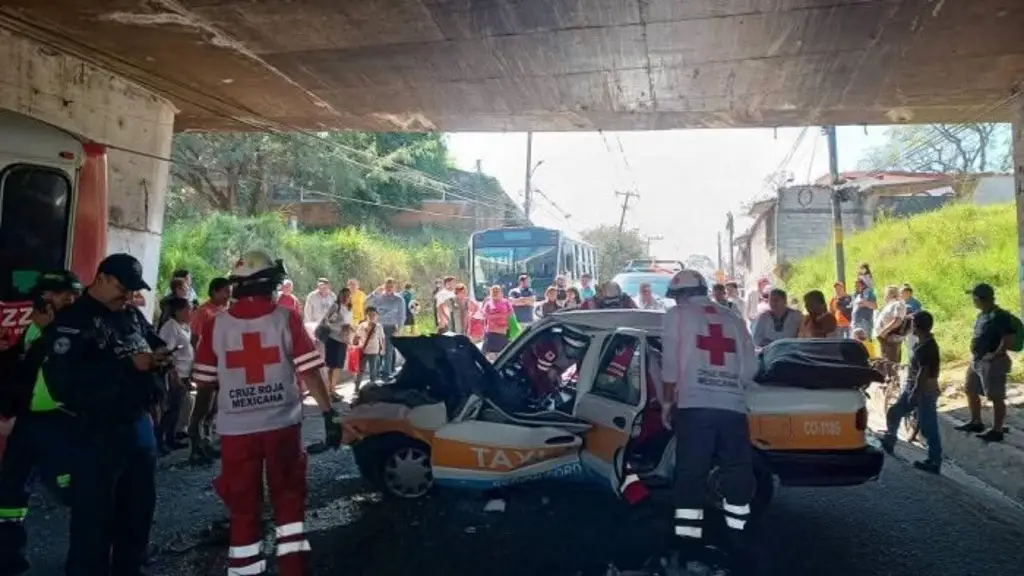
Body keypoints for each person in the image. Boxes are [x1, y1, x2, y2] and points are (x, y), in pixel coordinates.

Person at [192, 251, 341, 576]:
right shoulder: (285, 319)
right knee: (289, 505)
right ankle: (293, 570)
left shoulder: (217, 325)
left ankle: (246, 571)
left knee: (244, 510)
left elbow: (204, 384)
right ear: (268, 285)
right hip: (281, 429)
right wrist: (329, 413)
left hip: (236, 433)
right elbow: (311, 373)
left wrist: (195, 427)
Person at [42, 254, 170, 576]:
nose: (127, 297)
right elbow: (64, 385)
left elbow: (153, 344)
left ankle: (131, 568)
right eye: (122, 288)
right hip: (96, 432)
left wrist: (159, 358)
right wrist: (128, 367)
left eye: (132, 291)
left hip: (138, 426)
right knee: (94, 516)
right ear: (101, 279)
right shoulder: (72, 322)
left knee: (138, 509)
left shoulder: (131, 316)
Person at [660, 269, 758, 570]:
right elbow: (750, 368)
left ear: (682, 295)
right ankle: (737, 533)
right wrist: (730, 389)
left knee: (691, 473)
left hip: (694, 406)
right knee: (737, 470)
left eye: (677, 296)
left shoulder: (677, 316)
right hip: (733, 409)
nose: (676, 301)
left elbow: (670, 366)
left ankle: (689, 541)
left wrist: (666, 403)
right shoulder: (733, 318)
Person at [0, 271, 82, 575]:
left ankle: (88, 557)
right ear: (45, 296)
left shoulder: (75, 329)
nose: (69, 300)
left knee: (74, 490)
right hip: (27, 422)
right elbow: (19, 368)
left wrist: (48, 331)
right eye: (62, 294)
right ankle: (9, 556)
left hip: (61, 424)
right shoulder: (31, 328)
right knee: (10, 493)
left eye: (73, 294)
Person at [882, 311, 943, 473]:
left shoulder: (927, 347)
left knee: (928, 426)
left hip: (923, 391)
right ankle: (890, 439)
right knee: (894, 412)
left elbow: (924, 372)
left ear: (917, 326)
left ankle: (934, 461)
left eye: (912, 323)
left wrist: (915, 392)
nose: (910, 327)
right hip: (914, 389)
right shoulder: (922, 343)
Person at [957, 283, 1015, 442]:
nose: (972, 301)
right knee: (970, 389)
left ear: (979, 299)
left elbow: (1008, 338)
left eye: (973, 298)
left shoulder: (1000, 316)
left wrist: (996, 354)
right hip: (977, 359)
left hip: (992, 362)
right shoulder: (982, 315)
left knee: (996, 396)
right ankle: (976, 421)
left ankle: (997, 430)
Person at [156, 297, 194, 456]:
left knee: (176, 409)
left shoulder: (184, 326)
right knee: (168, 410)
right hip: (174, 374)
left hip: (185, 373)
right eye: (187, 310)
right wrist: (174, 375)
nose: (190, 313)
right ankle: (160, 441)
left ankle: (170, 439)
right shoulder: (170, 327)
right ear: (178, 311)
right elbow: (167, 352)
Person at [368, 278, 407, 379]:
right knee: (377, 349)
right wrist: (375, 292)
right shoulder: (378, 297)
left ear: (394, 287)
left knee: (388, 350)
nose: (389, 288)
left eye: (391, 286)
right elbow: (367, 303)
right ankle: (376, 372)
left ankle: (386, 372)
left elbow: (402, 315)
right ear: (383, 286)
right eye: (387, 286)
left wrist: (400, 328)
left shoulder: (399, 299)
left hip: (391, 327)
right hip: (377, 326)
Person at [320, 288, 353, 393]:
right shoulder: (335, 307)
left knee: (339, 366)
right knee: (332, 365)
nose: (346, 298)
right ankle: (330, 390)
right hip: (333, 339)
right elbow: (325, 321)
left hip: (343, 340)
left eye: (348, 295)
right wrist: (340, 328)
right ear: (339, 296)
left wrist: (351, 330)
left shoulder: (348, 308)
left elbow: (347, 323)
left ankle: (333, 389)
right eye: (343, 295)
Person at [353, 306, 386, 391]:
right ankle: (356, 387)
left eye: (374, 315)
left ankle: (372, 387)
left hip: (374, 351)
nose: (372, 316)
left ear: (377, 316)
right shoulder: (362, 325)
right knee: (360, 370)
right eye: (370, 315)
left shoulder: (379, 326)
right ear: (366, 316)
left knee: (373, 370)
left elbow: (382, 338)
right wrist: (356, 343)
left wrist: (383, 349)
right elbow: (356, 336)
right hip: (363, 351)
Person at [874, 285, 907, 363]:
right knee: (886, 362)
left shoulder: (898, 304)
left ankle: (892, 375)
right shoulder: (890, 305)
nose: (884, 296)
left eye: (886, 293)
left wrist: (884, 331)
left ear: (891, 294)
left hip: (890, 337)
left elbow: (897, 320)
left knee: (891, 363)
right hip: (885, 337)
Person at [481, 285, 514, 361]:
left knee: (504, 355)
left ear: (501, 293)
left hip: (504, 332)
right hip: (492, 333)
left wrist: (495, 316)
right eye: (493, 291)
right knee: (491, 357)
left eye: (497, 291)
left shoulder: (506, 302)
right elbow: (485, 315)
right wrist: (501, 315)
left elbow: (510, 314)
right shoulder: (488, 303)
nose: (495, 293)